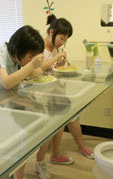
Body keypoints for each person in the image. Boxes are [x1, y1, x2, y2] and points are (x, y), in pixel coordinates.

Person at [0, 25, 45, 179]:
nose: (31, 60)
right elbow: (7, 83)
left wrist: (31, 104)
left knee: (32, 129)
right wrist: (31, 65)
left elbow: (13, 89)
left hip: (3, 106)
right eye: (30, 56)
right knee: (23, 138)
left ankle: (15, 175)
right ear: (19, 49)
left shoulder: (15, 61)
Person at [37, 14, 94, 163]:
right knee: (62, 116)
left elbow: (53, 71)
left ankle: (74, 148)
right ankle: (54, 156)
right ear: (51, 32)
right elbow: (37, 70)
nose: (62, 43)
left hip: (54, 91)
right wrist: (56, 59)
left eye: (65, 40)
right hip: (41, 93)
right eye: (61, 38)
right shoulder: (40, 48)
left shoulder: (55, 49)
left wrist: (61, 65)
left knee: (71, 114)